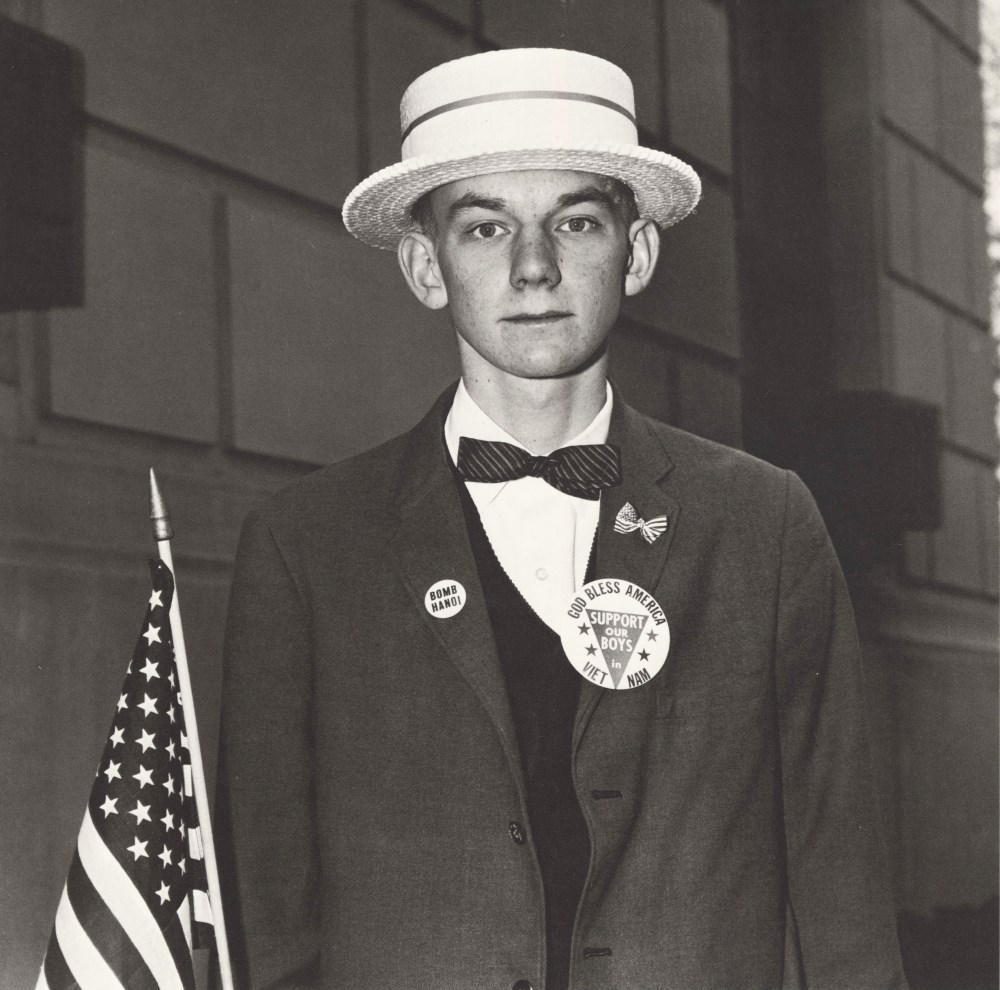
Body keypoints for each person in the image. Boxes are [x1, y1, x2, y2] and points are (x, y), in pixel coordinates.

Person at [215, 48, 907, 989]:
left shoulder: (764, 524)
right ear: (424, 266)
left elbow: (842, 892)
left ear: (638, 252)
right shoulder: (308, 546)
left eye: (575, 222)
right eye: (485, 229)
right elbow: (267, 917)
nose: (535, 267)